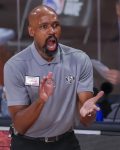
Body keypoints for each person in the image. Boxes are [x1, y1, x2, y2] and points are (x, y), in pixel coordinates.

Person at [4, 5, 104, 150]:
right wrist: (41, 101)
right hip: (27, 144)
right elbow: (20, 125)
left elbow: (86, 120)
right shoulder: (15, 66)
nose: (52, 31)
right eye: (44, 26)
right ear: (31, 31)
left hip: (65, 141)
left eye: (55, 25)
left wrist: (88, 114)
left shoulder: (79, 60)